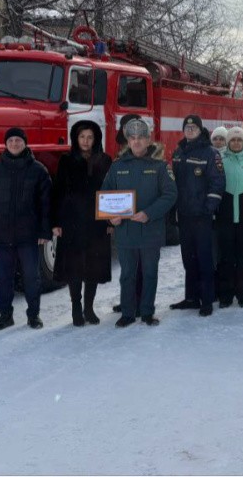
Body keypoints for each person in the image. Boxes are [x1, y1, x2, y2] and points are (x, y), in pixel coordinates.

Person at [101, 118, 177, 327]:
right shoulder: (117, 167)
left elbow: (170, 195)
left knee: (150, 273)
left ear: (148, 140)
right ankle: (128, 312)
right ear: (128, 141)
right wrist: (110, 216)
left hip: (151, 230)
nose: (136, 142)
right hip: (126, 232)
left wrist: (149, 213)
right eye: (132, 138)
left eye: (141, 138)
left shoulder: (160, 166)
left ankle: (146, 312)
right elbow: (105, 193)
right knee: (127, 274)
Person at [0, 127, 52, 330]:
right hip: (2, 235)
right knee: (4, 278)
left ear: (25, 144)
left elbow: (46, 204)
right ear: (5, 144)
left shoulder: (38, 170)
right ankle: (5, 315)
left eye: (18, 141)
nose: (14, 144)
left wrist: (44, 231)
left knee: (31, 277)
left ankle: (33, 315)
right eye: (11, 141)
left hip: (28, 236)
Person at [52, 120, 112, 327]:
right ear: (75, 139)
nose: (86, 141)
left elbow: (110, 192)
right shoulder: (66, 160)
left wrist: (110, 220)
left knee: (93, 266)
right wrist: (56, 221)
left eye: (90, 137)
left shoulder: (105, 160)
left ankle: (89, 308)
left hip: (97, 222)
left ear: (96, 139)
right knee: (74, 267)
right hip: (72, 221)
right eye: (82, 137)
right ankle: (76, 308)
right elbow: (58, 192)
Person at [170, 115, 225, 316]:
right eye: (187, 127)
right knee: (188, 258)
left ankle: (207, 300)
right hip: (184, 214)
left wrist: (208, 208)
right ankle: (191, 297)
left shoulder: (211, 153)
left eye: (194, 127)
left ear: (200, 130)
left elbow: (217, 183)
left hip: (202, 216)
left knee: (204, 258)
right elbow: (172, 183)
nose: (190, 130)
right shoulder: (178, 152)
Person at [214, 126, 243, 308]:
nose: (235, 143)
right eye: (232, 140)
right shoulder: (220, 161)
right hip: (224, 216)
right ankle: (226, 295)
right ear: (228, 143)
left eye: (239, 140)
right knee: (226, 258)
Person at [111, 113, 144, 314]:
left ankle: (141, 302)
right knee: (127, 264)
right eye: (126, 127)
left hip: (141, 215)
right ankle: (127, 300)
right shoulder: (119, 156)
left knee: (141, 264)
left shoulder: (148, 153)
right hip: (123, 217)